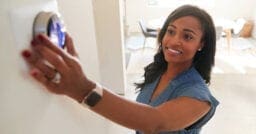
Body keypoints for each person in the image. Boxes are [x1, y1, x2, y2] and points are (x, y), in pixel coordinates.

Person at [21, 5, 219, 134]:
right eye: (171, 31)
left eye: (188, 36)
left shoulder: (198, 97)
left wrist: (83, 89)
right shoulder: (157, 72)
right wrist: (74, 83)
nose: (174, 41)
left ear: (202, 44)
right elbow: (134, 113)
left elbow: (154, 122)